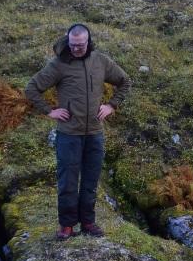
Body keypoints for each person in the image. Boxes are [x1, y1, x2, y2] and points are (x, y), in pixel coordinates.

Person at [25, 24, 132, 239]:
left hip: (94, 133)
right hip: (69, 134)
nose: (76, 49)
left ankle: (88, 223)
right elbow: (31, 88)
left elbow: (125, 82)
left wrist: (111, 105)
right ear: (68, 41)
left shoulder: (100, 61)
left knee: (91, 180)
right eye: (73, 45)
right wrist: (50, 111)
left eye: (81, 45)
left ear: (88, 42)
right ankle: (66, 226)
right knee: (68, 181)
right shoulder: (59, 65)